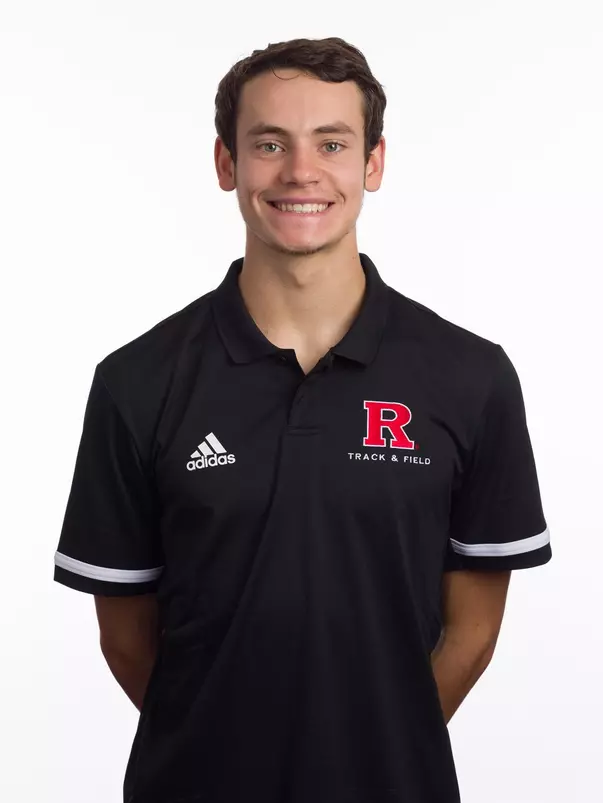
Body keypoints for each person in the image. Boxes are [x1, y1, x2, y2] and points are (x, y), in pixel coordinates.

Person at [53, 36, 552, 803]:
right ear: (226, 164)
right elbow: (126, 637)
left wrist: (366, 751)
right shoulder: (136, 381)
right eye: (268, 143)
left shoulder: (470, 376)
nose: (300, 172)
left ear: (372, 164)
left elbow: (471, 633)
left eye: (331, 142)